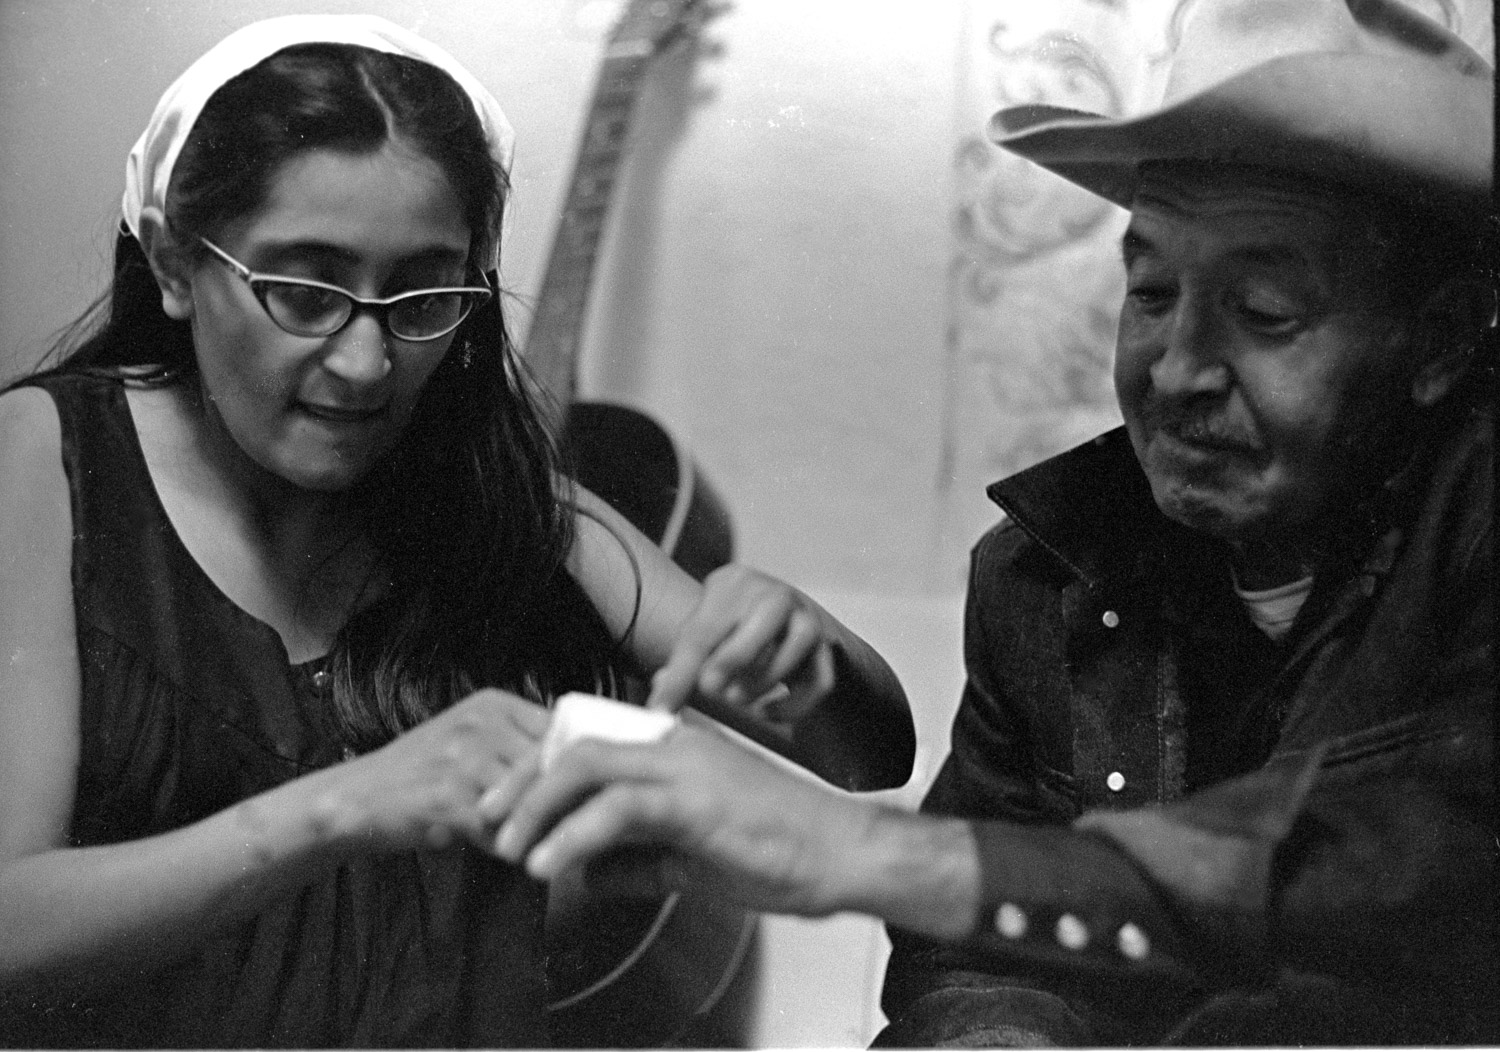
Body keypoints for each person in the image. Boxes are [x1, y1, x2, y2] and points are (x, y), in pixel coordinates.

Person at [486, 0, 1497, 1044]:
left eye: (1267, 313)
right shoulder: (1039, 575)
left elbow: (1418, 860)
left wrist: (859, 848)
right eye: (1151, 293)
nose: (1179, 369)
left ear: (1442, 344)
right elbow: (965, 963)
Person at [0, 15, 913, 1047]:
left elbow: (867, 752)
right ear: (173, 261)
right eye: (304, 291)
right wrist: (346, 804)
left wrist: (801, 644)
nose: (364, 364)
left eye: (424, 296)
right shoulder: (50, 458)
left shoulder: (497, 499)